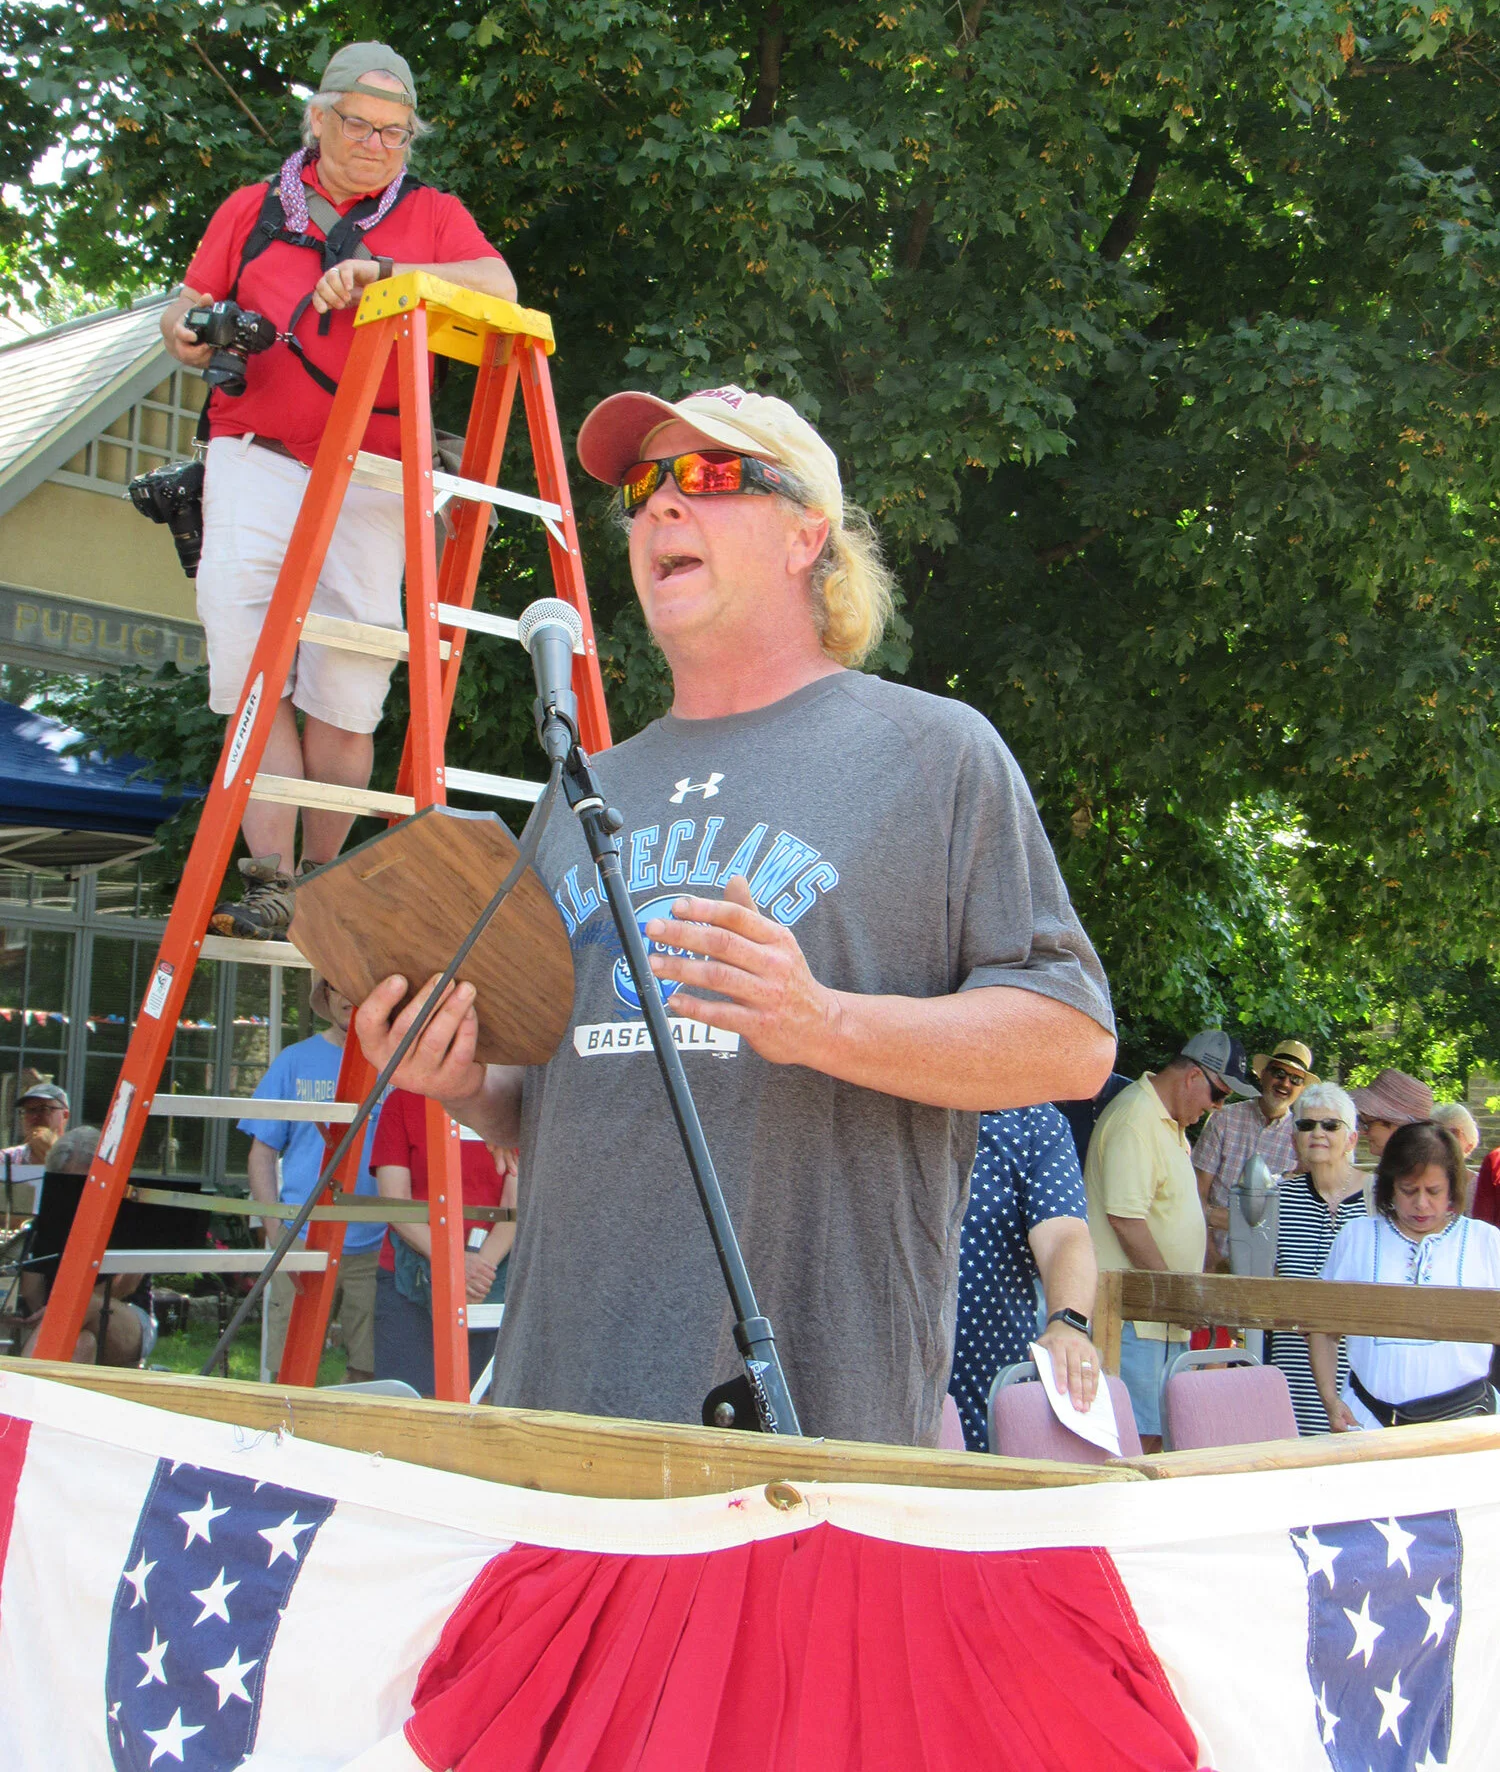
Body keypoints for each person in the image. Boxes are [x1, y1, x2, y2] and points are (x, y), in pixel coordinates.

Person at [356, 382, 1116, 1445]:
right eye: (644, 486)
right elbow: (553, 1106)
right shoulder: (582, 791)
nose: (662, 504)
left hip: (803, 1424)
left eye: (711, 475)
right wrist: (462, 1081)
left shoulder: (935, 755)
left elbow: (1074, 1042)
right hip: (557, 1405)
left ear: (810, 536)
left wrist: (821, 1021)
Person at [160, 41, 518, 940]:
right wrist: (189, 331)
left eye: (396, 133)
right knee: (249, 668)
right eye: (359, 125)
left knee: (349, 687)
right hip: (256, 454)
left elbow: (500, 288)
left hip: (376, 469)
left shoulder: (432, 214)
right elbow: (185, 303)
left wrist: (390, 275)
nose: (376, 145)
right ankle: (272, 880)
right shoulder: (251, 208)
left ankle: (323, 882)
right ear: (317, 119)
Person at [1083, 1031, 1256, 1451]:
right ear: (1193, 1076)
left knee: (1157, 1435)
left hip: (1154, 1320)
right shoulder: (1137, 1120)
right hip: (1132, 1320)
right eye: (1218, 1095)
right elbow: (1126, 1221)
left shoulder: (1167, 1121)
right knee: (1134, 1441)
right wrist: (1176, 1295)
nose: (1218, 1107)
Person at [237, 977, 388, 1384]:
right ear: (325, 996)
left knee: (370, 1374)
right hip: (302, 1238)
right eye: (338, 986)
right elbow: (261, 1152)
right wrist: (276, 1231)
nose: (349, 997)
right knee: (289, 1370)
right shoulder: (294, 1060)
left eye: (358, 987)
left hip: (376, 1244)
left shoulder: (398, 1063)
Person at [1309, 1122, 1500, 1429]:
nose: (1421, 1203)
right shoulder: (1357, 1237)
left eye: (1433, 1191)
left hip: (1467, 1423)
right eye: (1409, 1190)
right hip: (1369, 1420)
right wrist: (1330, 1400)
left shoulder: (1486, 1241)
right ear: (1390, 1186)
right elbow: (1322, 1330)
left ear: (1452, 1187)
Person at [948, 1103, 1102, 1451]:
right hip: (868, 1385)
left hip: (982, 1394)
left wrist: (1068, 1323)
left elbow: (1064, 1234)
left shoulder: (1035, 1122)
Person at [370, 1095, 515, 1397]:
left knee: (490, 1404)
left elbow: (516, 1204)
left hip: (489, 1279)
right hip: (411, 1277)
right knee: (409, 1404)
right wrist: (456, 1262)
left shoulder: (507, 1100)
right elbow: (394, 1201)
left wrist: (476, 1271)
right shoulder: (402, 1101)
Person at [1265, 1083, 1368, 1434]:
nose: (1318, 1133)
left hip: (1359, 1372)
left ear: (1351, 1139)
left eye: (1331, 1125)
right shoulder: (1278, 1198)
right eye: (1306, 1125)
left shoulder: (1378, 1199)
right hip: (1292, 1365)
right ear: (1294, 1138)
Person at [19, 1128, 157, 1365]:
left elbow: (126, 1284)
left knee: (85, 1303)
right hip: (57, 1319)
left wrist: (61, 1309)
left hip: (126, 1314)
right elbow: (32, 1290)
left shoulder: (131, 1212)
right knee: (82, 1344)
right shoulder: (48, 1220)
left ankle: (21, 1383)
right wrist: (48, 1312)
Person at [1193, 1038, 1314, 1271]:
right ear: (1263, 1074)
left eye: (1295, 1079)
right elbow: (1197, 1191)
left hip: (1272, 1270)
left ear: (1302, 1089)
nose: (1285, 1083)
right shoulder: (1223, 1119)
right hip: (1209, 1256)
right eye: (1279, 1073)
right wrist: (1210, 1256)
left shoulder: (1304, 1137)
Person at [1349, 1066, 1432, 1162]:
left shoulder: (1419, 1170)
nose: (1362, 1132)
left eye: (1367, 1124)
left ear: (1398, 1126)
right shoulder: (1412, 1167)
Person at [1, 1080, 70, 1168]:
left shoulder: (80, 1158)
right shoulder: (5, 1158)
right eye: (28, 1110)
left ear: (65, 1115)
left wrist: (53, 1153)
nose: (34, 1116)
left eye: (44, 1109)